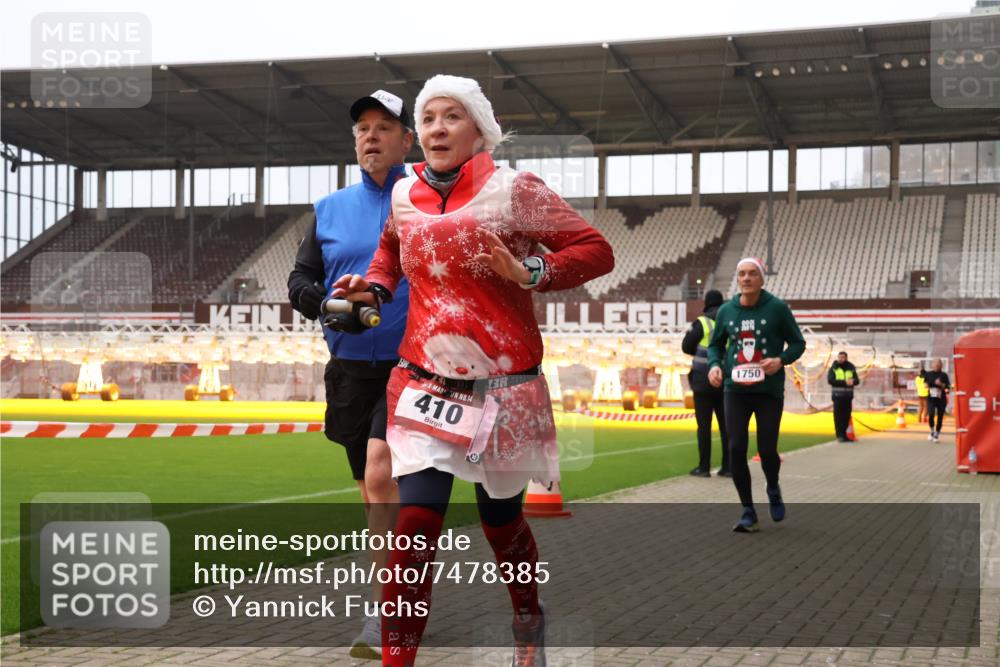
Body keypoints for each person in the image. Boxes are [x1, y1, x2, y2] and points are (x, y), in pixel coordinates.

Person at [332, 74, 613, 667]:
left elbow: (595, 250)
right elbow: (390, 254)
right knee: (413, 527)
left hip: (503, 393)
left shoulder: (516, 191)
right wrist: (374, 287)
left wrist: (529, 272)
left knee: (501, 522)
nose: (436, 127)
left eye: (451, 116)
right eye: (428, 117)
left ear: (479, 129)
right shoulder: (404, 196)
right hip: (424, 384)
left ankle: (527, 616)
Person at [286, 89, 413, 660]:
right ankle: (399, 589)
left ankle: (384, 611)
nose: (370, 136)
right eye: (363, 127)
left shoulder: (427, 201)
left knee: (383, 477)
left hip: (415, 366)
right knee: (372, 495)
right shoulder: (328, 208)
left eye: (384, 126)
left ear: (406, 140)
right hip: (349, 372)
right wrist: (320, 302)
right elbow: (298, 281)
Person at [707, 257, 806, 533]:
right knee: (736, 447)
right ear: (737, 279)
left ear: (762, 278)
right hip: (734, 390)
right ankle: (748, 510)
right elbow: (715, 345)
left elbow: (798, 342)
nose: (746, 278)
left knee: (766, 450)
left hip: (768, 391)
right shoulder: (726, 311)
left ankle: (773, 487)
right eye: (741, 274)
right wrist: (715, 366)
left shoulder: (777, 309)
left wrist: (781, 359)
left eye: (752, 274)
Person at [681, 289, 730, 477]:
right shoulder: (729, 321)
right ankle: (728, 467)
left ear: (707, 303)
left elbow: (686, 346)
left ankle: (704, 467)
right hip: (725, 381)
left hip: (703, 381)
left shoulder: (702, 322)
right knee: (726, 427)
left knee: (704, 427)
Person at [827, 351, 860, 443]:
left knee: (846, 416)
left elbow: (857, 380)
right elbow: (830, 380)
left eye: (843, 357)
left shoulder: (851, 367)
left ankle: (845, 435)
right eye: (839, 357)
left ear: (846, 358)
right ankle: (839, 435)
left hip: (848, 397)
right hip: (837, 396)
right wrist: (845, 382)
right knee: (838, 417)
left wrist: (853, 381)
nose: (841, 359)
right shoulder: (834, 368)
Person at [920, 359, 951, 442]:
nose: (937, 366)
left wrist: (941, 384)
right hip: (931, 398)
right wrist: (926, 385)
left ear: (941, 366)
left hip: (941, 398)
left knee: (940, 416)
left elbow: (948, 388)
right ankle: (932, 430)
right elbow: (925, 383)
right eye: (935, 365)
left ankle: (937, 433)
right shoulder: (929, 374)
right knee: (931, 414)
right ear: (932, 365)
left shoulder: (944, 375)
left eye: (938, 365)